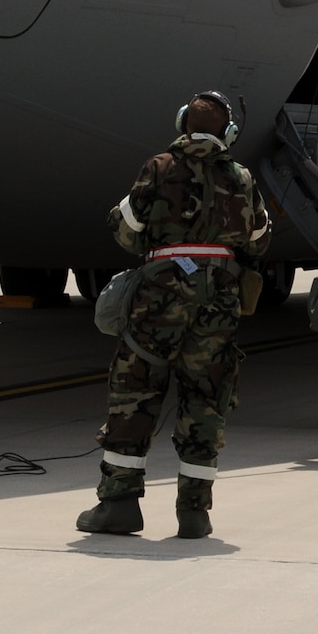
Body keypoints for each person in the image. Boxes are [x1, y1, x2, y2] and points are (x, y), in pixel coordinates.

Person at [77, 90, 272, 539]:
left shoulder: (159, 167)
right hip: (218, 302)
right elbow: (260, 239)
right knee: (206, 399)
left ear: (184, 124)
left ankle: (119, 504)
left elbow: (127, 230)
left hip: (158, 300)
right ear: (228, 133)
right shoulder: (241, 177)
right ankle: (194, 512)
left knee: (135, 393)